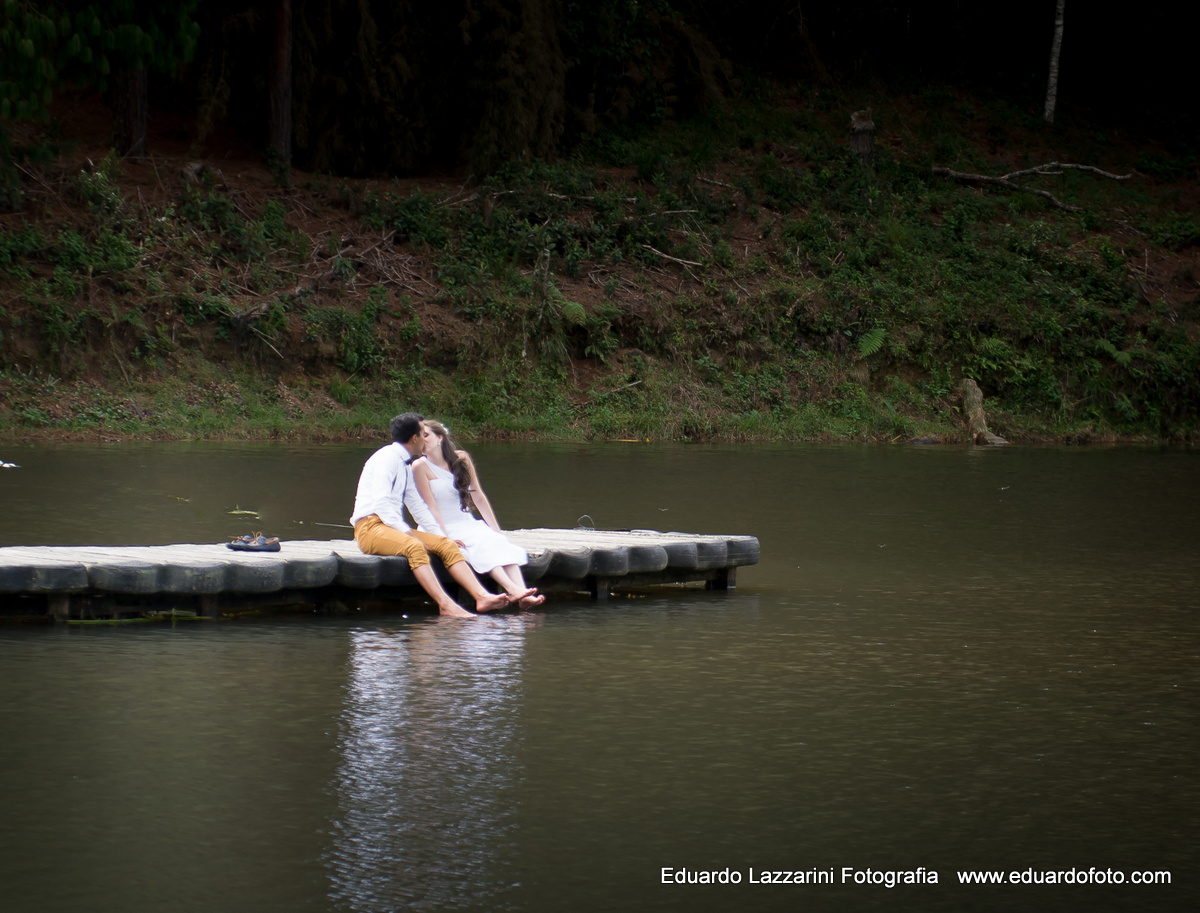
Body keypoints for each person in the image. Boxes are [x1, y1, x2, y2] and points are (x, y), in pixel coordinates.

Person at [350, 412, 510, 617]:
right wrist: (408, 533)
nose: (426, 439)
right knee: (414, 547)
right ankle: (445, 604)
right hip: (370, 528)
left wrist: (441, 536)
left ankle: (481, 596)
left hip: (390, 527)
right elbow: (381, 503)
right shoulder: (386, 459)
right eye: (423, 433)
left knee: (446, 545)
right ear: (414, 438)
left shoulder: (405, 463)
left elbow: (416, 506)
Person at [412, 420, 545, 609]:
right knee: (479, 545)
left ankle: (523, 595)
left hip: (465, 521)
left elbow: (478, 496)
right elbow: (431, 507)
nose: (422, 439)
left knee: (497, 541)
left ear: (440, 437)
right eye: (420, 436)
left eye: (427, 435)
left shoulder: (461, 459)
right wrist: (445, 537)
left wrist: (496, 530)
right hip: (439, 525)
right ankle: (511, 589)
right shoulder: (419, 467)